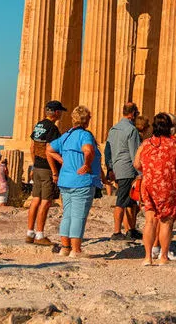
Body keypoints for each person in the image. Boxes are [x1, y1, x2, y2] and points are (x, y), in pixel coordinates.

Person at [47, 105, 102, 259]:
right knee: (78, 216)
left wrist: (62, 161)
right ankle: (76, 250)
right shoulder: (85, 135)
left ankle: (65, 248)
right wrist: (87, 164)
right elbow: (88, 150)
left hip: (66, 180)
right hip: (81, 181)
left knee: (67, 215)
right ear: (86, 120)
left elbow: (49, 149)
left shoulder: (66, 135)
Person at [134, 112, 176, 265]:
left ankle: (147, 257)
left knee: (150, 221)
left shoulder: (146, 144)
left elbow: (136, 164)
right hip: (169, 186)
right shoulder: (175, 144)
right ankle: (163, 256)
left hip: (149, 185)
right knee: (166, 222)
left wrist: (149, 168)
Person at [26, 100, 65, 246]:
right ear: (55, 112)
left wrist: (34, 163)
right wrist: (55, 172)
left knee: (35, 199)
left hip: (37, 167)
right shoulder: (52, 128)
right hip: (48, 169)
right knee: (46, 201)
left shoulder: (39, 125)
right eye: (60, 111)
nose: (61, 113)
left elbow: (31, 147)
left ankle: (30, 233)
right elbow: (50, 150)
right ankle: (40, 234)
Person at [104, 102, 142, 241]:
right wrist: (140, 173)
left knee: (130, 201)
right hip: (127, 169)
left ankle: (131, 229)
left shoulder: (113, 129)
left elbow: (107, 150)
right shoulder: (132, 130)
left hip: (117, 168)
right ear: (132, 114)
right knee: (122, 200)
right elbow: (135, 154)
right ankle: (116, 231)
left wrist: (109, 168)